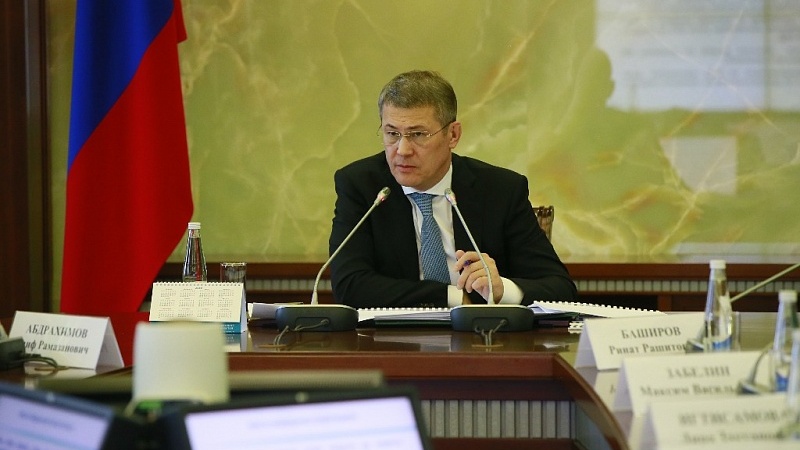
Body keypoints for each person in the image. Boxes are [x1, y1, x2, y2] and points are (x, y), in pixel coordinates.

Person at [329, 70, 577, 309]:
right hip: (390, 335)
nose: (402, 150)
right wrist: (452, 296)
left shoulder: (500, 190)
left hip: (481, 335)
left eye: (418, 134)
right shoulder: (362, 186)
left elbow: (559, 288)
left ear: (453, 135)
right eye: (392, 133)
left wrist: (502, 289)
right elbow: (349, 285)